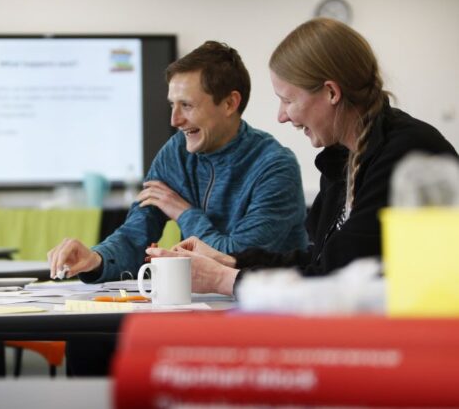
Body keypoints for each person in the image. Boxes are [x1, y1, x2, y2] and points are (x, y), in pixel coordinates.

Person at [147, 18, 458, 295]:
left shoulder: (405, 152)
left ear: (331, 93)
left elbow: (335, 281)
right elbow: (318, 260)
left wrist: (222, 279)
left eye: (287, 100)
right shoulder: (342, 158)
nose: (282, 116)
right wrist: (230, 260)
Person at [48, 41, 308, 284]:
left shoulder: (275, 166)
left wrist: (184, 213)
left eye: (187, 105)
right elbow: (135, 234)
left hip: (267, 311)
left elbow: (235, 259)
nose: (175, 120)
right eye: (172, 104)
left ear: (230, 103)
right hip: (201, 306)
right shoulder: (176, 152)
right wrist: (97, 258)